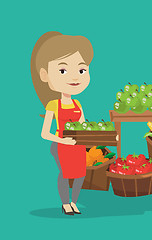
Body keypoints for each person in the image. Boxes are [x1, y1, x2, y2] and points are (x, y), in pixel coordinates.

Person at [31, 31, 94, 215]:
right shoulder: (53, 105)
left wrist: (91, 135)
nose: (75, 78)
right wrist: (64, 141)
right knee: (65, 174)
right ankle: (65, 203)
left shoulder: (78, 104)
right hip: (61, 144)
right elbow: (44, 133)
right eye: (63, 71)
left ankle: (74, 202)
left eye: (82, 70)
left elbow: (83, 125)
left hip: (78, 145)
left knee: (81, 174)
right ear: (45, 75)